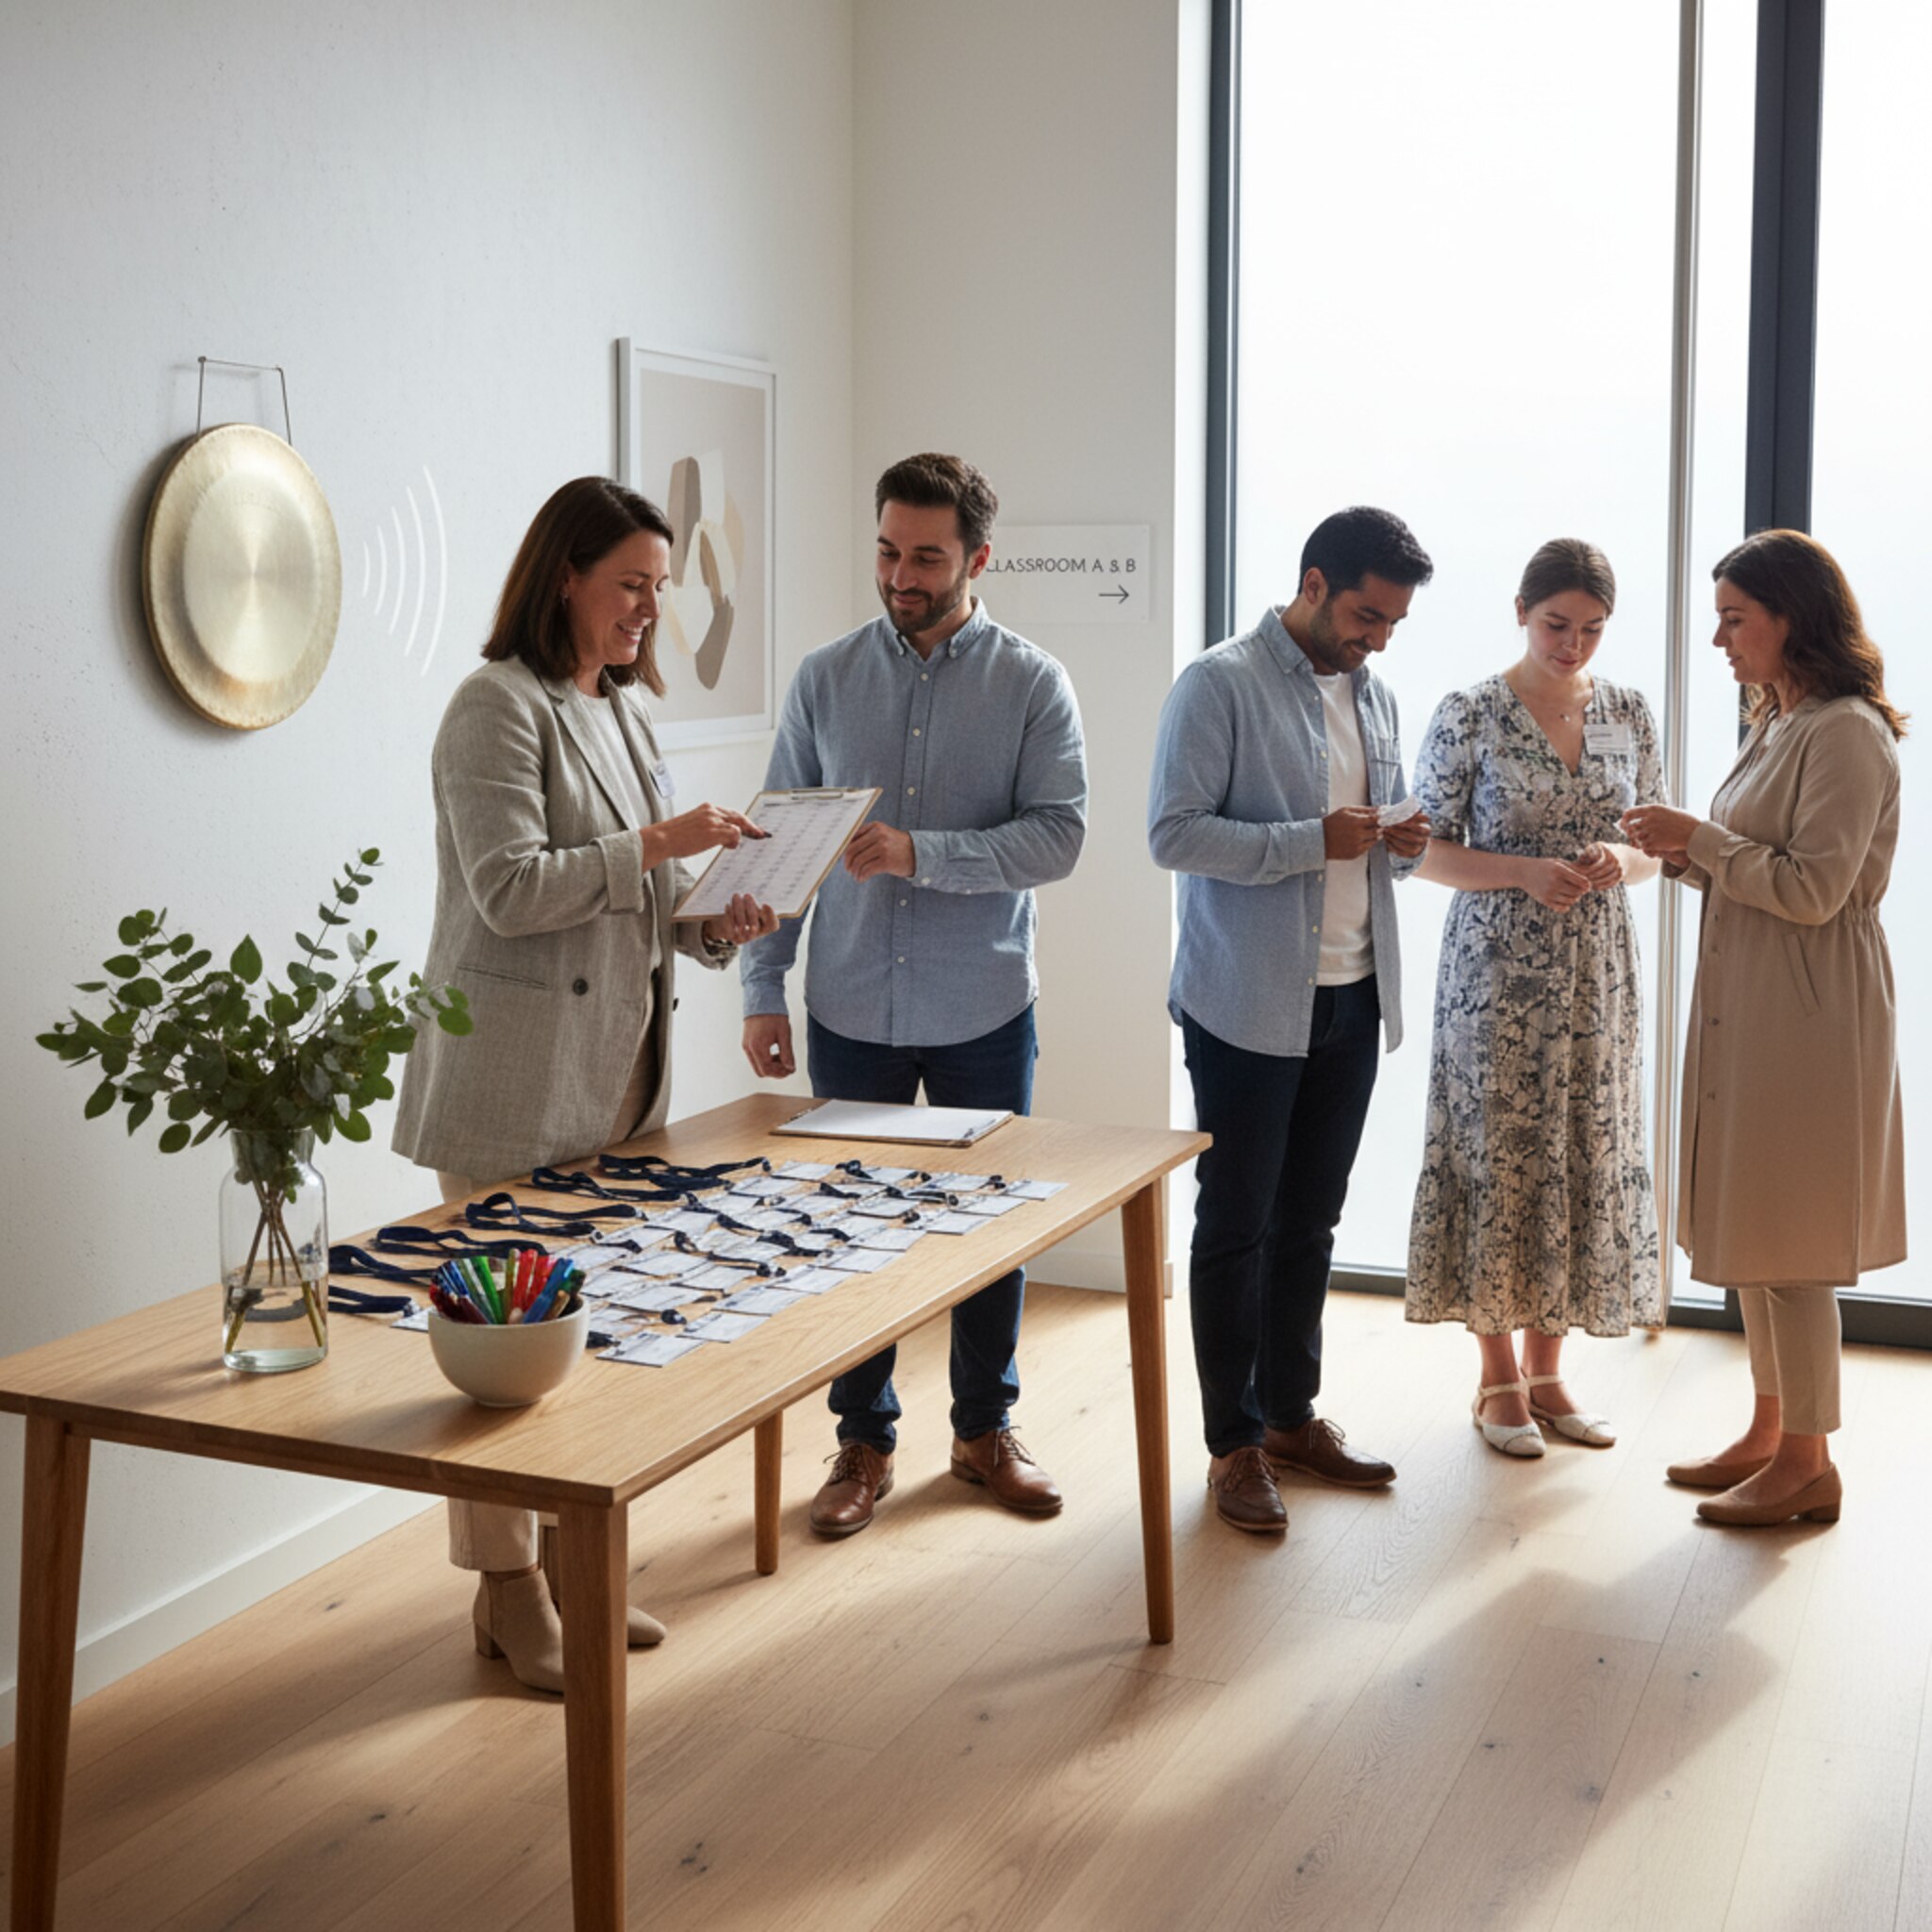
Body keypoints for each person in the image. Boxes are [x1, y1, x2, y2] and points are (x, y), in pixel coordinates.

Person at [393, 475, 779, 1692]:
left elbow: (642, 898)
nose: (648, 610)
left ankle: (569, 1566)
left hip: (617, 1075)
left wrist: (716, 919)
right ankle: (508, 1588)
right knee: (500, 1350)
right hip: (511, 1079)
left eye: (659, 589)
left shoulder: (620, 711)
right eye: (630, 585)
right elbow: (509, 889)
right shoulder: (492, 706)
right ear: (563, 575)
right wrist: (663, 843)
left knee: (590, 1335)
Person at [740, 452, 1087, 1537]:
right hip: (848, 1004)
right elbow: (777, 839)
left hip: (983, 1004)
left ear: (978, 559)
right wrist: (761, 985)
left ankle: (984, 1430)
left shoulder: (1033, 682)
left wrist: (920, 853)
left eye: (926, 556)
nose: (900, 575)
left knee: (989, 1225)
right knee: (850, 1226)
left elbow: (1058, 836)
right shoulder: (823, 677)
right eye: (888, 550)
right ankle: (862, 1439)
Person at [1148, 506, 1434, 1534]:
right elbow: (1174, 834)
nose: (1377, 640)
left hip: (1354, 992)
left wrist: (1405, 843)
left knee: (1311, 1220)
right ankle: (1232, 1445)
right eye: (1366, 616)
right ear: (1314, 584)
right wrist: (1310, 840)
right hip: (1245, 1001)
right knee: (1236, 1226)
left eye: (1392, 622)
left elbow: (1376, 841)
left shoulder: (1376, 693)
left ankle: (1288, 1417)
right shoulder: (1216, 684)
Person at [1623, 529, 1906, 1528]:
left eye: (1734, 618)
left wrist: (1699, 839)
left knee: (1792, 1240)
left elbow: (1815, 888)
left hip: (1809, 1014)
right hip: (1756, 1003)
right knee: (1755, 1223)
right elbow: (1755, 861)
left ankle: (1808, 1461)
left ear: (1791, 616)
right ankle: (1770, 1428)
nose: (1719, 639)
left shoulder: (1844, 732)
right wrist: (1682, 853)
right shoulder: (1778, 720)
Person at [1405, 540, 1665, 1456]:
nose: (1571, 645)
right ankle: (1495, 1378)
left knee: (1580, 1145)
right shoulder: (1470, 712)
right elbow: (1417, 849)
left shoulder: (1626, 710)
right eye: (1556, 624)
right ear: (1520, 611)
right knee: (1499, 1152)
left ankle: (1548, 1372)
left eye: (1591, 629)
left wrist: (1619, 858)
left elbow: (1656, 842)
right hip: (1494, 972)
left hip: (1597, 972)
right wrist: (1521, 871)